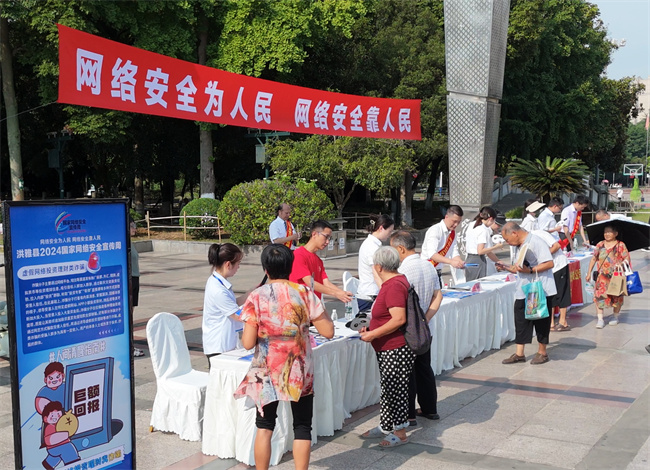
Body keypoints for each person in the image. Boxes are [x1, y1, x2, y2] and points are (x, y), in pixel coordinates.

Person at [234, 244, 334, 470]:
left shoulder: (256, 297)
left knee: (264, 426)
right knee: (302, 427)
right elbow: (328, 331)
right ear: (290, 267)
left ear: (265, 269)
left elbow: (247, 343)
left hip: (267, 370)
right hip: (300, 370)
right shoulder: (304, 293)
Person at [359, 246, 415, 448]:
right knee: (388, 387)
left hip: (395, 347)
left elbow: (398, 319)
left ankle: (400, 432)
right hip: (388, 346)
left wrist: (373, 334)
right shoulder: (394, 282)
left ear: (379, 267)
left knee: (395, 389)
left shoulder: (394, 286)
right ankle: (385, 425)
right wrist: (372, 327)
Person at [389, 231, 443, 426]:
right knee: (424, 368)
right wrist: (425, 318)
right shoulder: (428, 265)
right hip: (425, 328)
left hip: (408, 330)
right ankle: (430, 409)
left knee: (407, 372)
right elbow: (438, 295)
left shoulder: (402, 270)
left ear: (401, 249)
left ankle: (409, 414)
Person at [497, 222, 556, 365]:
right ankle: (519, 353)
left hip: (538, 289)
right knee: (521, 320)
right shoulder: (519, 245)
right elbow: (518, 268)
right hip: (523, 289)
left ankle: (542, 352)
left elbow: (549, 263)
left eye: (507, 239)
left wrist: (530, 270)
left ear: (514, 233)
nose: (507, 243)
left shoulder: (536, 241)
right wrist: (506, 267)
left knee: (541, 320)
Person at [202, 243, 247, 366]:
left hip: (222, 344)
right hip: (218, 347)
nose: (238, 267)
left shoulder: (217, 281)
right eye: (238, 263)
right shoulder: (218, 290)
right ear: (228, 264)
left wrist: (252, 292)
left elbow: (232, 304)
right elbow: (237, 315)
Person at [289, 220, 353, 303]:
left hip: (314, 306)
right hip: (300, 305)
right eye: (326, 237)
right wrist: (336, 293)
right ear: (314, 234)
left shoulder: (318, 260)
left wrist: (342, 293)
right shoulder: (298, 255)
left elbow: (326, 282)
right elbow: (310, 282)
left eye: (329, 238)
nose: (327, 241)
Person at [585, 225, 631, 328]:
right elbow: (594, 258)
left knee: (617, 297)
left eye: (609, 232)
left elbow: (626, 258)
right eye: (605, 232)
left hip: (616, 276)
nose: (607, 234)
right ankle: (600, 319)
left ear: (616, 234)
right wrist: (589, 273)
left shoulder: (621, 245)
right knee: (599, 296)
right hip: (602, 277)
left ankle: (615, 316)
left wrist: (621, 264)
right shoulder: (600, 244)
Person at [532, 230, 571, 331]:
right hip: (547, 269)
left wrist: (542, 256)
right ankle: (551, 322)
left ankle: (563, 321)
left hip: (558, 265)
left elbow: (556, 246)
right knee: (550, 294)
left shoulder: (539, 233)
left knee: (562, 292)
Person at [357, 214, 395, 311]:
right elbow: (376, 273)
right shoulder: (371, 247)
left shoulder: (373, 244)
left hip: (371, 293)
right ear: (381, 228)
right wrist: (385, 293)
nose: (390, 234)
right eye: (389, 231)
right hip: (370, 295)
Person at [421, 205, 465, 287]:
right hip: (426, 271)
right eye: (454, 221)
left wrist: (459, 262)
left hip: (437, 271)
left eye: (458, 222)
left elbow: (454, 252)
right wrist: (451, 262)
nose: (456, 225)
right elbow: (432, 254)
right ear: (446, 217)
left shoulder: (452, 233)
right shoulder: (435, 230)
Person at [464, 206, 505, 281]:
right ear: (491, 219)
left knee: (470, 284)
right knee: (478, 284)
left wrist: (498, 261)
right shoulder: (483, 230)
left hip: (469, 259)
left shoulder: (472, 224)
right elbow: (481, 251)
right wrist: (496, 247)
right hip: (478, 260)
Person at [41, 401, 80, 469]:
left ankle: (48, 463)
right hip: (56, 447)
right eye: (52, 415)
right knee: (69, 449)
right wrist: (66, 434)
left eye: (58, 414)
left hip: (57, 448)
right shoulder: (50, 427)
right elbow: (50, 440)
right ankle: (73, 463)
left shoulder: (61, 424)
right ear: (46, 419)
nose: (56, 417)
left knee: (57, 456)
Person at [130, 219, 145, 357]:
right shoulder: (124, 244)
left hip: (135, 279)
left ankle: (130, 345)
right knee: (128, 316)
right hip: (130, 280)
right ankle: (130, 347)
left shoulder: (131, 243)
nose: (135, 229)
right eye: (132, 226)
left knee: (131, 314)